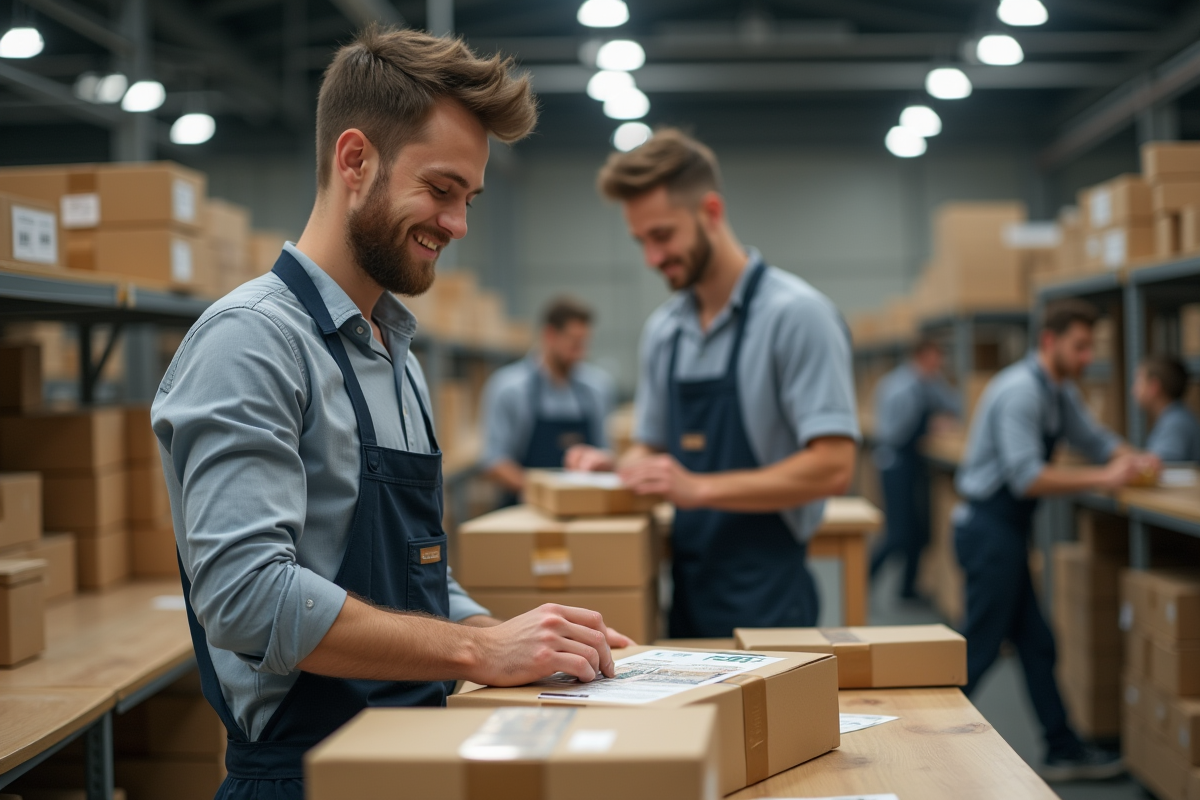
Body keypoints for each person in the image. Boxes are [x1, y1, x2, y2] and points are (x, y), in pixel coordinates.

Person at [152, 29, 629, 800]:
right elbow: (245, 598)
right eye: (441, 190)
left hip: (415, 756)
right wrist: (476, 657)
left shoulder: (396, 353)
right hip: (306, 777)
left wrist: (509, 636)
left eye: (469, 200)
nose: (458, 225)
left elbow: (409, 585)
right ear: (354, 160)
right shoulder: (250, 343)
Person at [566, 128, 859, 638]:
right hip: (687, 586)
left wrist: (698, 488)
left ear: (712, 212)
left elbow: (834, 466)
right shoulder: (665, 331)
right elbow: (652, 446)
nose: (652, 259)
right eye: (641, 242)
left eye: (663, 236)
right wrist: (620, 467)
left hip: (770, 593)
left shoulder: (796, 316)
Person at [954, 299, 1160, 781]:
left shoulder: (1059, 392)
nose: (1089, 356)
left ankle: (1062, 748)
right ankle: (918, 737)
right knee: (981, 648)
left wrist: (1133, 459)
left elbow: (1094, 438)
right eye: (1080, 346)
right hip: (986, 529)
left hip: (1006, 530)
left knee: (1036, 644)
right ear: (1050, 342)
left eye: (1092, 347)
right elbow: (1026, 478)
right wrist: (1104, 478)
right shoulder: (1021, 392)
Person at [480, 296, 615, 505]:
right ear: (550, 335)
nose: (580, 353)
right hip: (525, 510)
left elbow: (605, 452)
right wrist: (546, 494)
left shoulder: (596, 388)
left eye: (584, 343)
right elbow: (494, 462)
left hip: (584, 507)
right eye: (574, 343)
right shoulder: (510, 388)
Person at [869, 337, 960, 599]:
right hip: (895, 463)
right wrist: (929, 425)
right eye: (935, 359)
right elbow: (892, 433)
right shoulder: (899, 386)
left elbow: (955, 406)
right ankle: (861, 579)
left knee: (919, 532)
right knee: (898, 534)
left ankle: (907, 589)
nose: (939, 364)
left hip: (914, 464)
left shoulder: (929, 383)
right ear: (920, 357)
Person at [1134, 355, 1200, 463]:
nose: (1133, 389)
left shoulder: (1176, 423)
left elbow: (1156, 464)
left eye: (1139, 381)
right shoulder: (1174, 417)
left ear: (1153, 386)